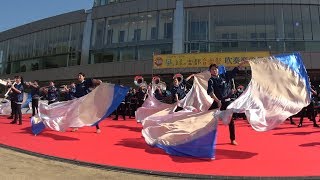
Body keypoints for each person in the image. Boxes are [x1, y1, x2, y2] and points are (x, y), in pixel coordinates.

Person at [207, 62, 247, 145]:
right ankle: (205, 138)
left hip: (227, 102)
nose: (214, 71)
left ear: (218, 70)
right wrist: (217, 101)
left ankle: (232, 139)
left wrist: (242, 64)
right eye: (212, 69)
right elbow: (211, 92)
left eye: (215, 69)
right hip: (218, 102)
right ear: (210, 71)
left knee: (230, 120)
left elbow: (235, 71)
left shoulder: (225, 76)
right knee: (207, 117)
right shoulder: (211, 80)